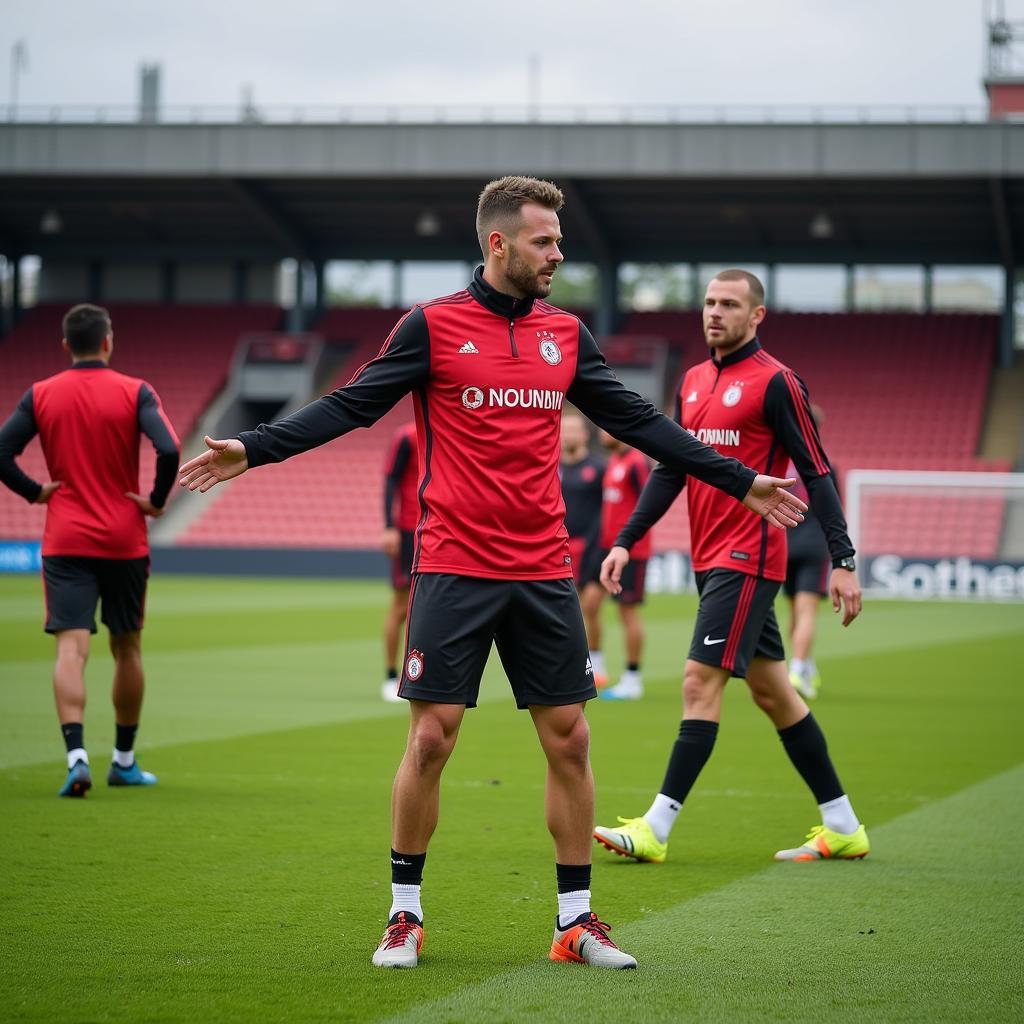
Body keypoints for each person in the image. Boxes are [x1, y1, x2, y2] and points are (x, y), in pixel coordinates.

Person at [178, 178, 806, 970]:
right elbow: (352, 404)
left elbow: (640, 422)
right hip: (453, 563)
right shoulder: (432, 326)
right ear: (499, 244)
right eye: (545, 242)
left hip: (543, 568)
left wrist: (738, 477)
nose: (559, 253)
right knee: (433, 739)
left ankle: (575, 922)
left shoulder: (565, 334)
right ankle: (404, 915)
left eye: (560, 241)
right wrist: (254, 445)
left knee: (571, 740)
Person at [594, 269, 868, 866]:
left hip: (750, 556)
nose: (715, 313)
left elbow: (817, 471)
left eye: (729, 304)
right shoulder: (691, 381)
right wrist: (625, 539)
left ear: (757, 315)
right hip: (708, 556)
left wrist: (842, 559)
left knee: (698, 682)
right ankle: (843, 824)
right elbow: (670, 467)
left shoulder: (777, 382)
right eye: (709, 302)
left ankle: (656, 828)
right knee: (775, 693)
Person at [0, 303, 180, 797]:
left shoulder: (40, 394)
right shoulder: (135, 391)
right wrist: (158, 501)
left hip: (65, 539)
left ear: (65, 346)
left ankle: (76, 757)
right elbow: (168, 448)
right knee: (127, 647)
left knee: (71, 650)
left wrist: (33, 490)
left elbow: (1, 450)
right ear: (108, 341)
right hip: (124, 537)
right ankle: (123, 761)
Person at [583, 431, 651, 701]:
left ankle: (633, 678)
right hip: (605, 548)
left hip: (630, 551)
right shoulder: (613, 461)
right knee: (589, 603)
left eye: (605, 429)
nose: (600, 433)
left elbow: (649, 501)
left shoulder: (636, 463)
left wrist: (632, 540)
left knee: (627, 613)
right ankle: (596, 669)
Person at [783, 405, 833, 700]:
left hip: (785, 543)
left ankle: (806, 664)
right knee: (806, 612)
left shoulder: (779, 462)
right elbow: (832, 510)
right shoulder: (821, 462)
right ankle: (798, 668)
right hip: (814, 545)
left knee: (793, 610)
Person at [558, 411, 606, 683]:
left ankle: (596, 664)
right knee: (563, 609)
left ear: (584, 434)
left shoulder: (598, 468)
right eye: (565, 430)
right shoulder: (551, 466)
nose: (569, 435)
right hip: (558, 545)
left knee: (590, 606)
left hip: (591, 547)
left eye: (574, 430)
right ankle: (567, 664)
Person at [380, 420, 418, 703]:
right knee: (401, 606)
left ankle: (418, 675)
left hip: (443, 529)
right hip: (409, 530)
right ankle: (391, 676)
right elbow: (391, 479)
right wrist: (389, 526)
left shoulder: (455, 428)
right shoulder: (406, 435)